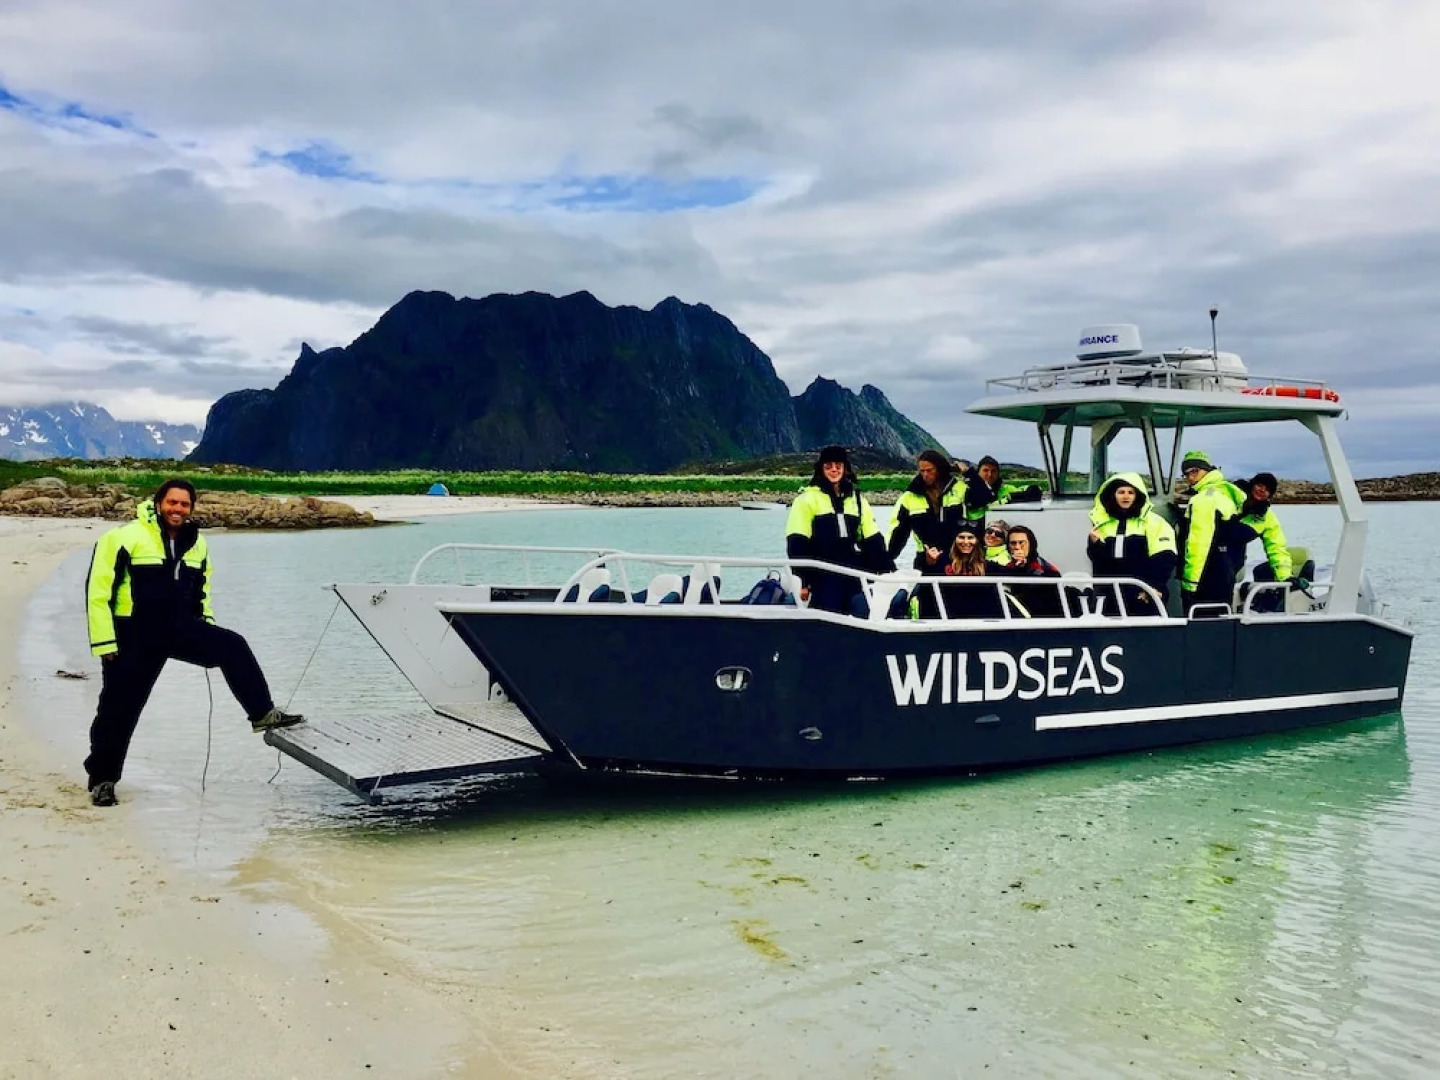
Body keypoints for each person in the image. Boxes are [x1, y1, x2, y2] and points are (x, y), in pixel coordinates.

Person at [84, 479, 303, 807]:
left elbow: (201, 593)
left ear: (191, 509)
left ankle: (262, 714)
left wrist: (207, 629)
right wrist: (105, 642)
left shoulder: (196, 543)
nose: (177, 509)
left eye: (184, 505)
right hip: (132, 635)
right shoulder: (122, 538)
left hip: (180, 628)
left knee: (233, 646)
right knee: (119, 710)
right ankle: (103, 780)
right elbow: (97, 594)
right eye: (172, 502)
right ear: (158, 503)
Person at [785, 445, 893, 616]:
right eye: (828, 466)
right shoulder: (806, 500)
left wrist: (888, 571)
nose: (834, 470)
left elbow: (872, 538)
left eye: (838, 465)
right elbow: (797, 542)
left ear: (845, 468)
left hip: (854, 572)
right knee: (828, 614)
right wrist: (803, 580)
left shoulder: (857, 500)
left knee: (863, 609)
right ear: (821, 468)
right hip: (823, 573)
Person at [1086, 472, 1177, 615]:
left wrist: (1152, 587)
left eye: (1131, 492)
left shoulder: (1155, 523)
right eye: (1121, 492)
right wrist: (1095, 544)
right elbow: (1100, 564)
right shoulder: (1101, 525)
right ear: (1113, 495)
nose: (1126, 496)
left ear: (1137, 496)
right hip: (1110, 598)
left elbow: (1165, 558)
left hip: (1144, 595)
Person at [1176, 450, 1247, 613]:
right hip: (1225, 569)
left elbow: (1199, 544)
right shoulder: (1226, 492)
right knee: (1220, 623)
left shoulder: (1204, 500)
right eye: (1186, 473)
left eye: (1194, 471)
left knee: (1202, 626)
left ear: (1207, 470)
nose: (1190, 477)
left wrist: (1190, 584)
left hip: (1207, 575)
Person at [886, 450, 965, 575]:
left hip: (959, 560)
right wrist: (886, 560)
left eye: (929, 470)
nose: (925, 475)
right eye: (922, 471)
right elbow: (897, 532)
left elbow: (984, 498)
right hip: (926, 561)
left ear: (939, 469)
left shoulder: (960, 488)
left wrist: (969, 473)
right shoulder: (909, 497)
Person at [1233, 471, 1303, 611]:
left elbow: (1277, 548)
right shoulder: (1229, 498)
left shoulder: (1266, 518)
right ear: (1252, 484)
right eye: (1259, 485)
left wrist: (1285, 578)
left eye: (1268, 489)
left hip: (1231, 564)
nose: (1262, 490)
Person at [939, 521, 1004, 618]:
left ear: (977, 541)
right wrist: (928, 562)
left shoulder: (987, 567)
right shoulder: (942, 562)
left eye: (970, 538)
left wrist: (1022, 564)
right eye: (961, 537)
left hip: (978, 620)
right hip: (949, 619)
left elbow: (1012, 573)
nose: (966, 542)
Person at [997, 525, 1062, 617]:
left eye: (1021, 543)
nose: (1017, 547)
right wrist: (1018, 569)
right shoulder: (1008, 567)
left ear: (1031, 544)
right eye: (1013, 543)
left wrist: (1022, 569)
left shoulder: (1046, 569)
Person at [958, 456, 1042, 524]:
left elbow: (1035, 490)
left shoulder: (1007, 489)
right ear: (978, 472)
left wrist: (1010, 498)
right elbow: (985, 496)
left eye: (993, 471)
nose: (990, 475)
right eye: (985, 470)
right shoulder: (967, 490)